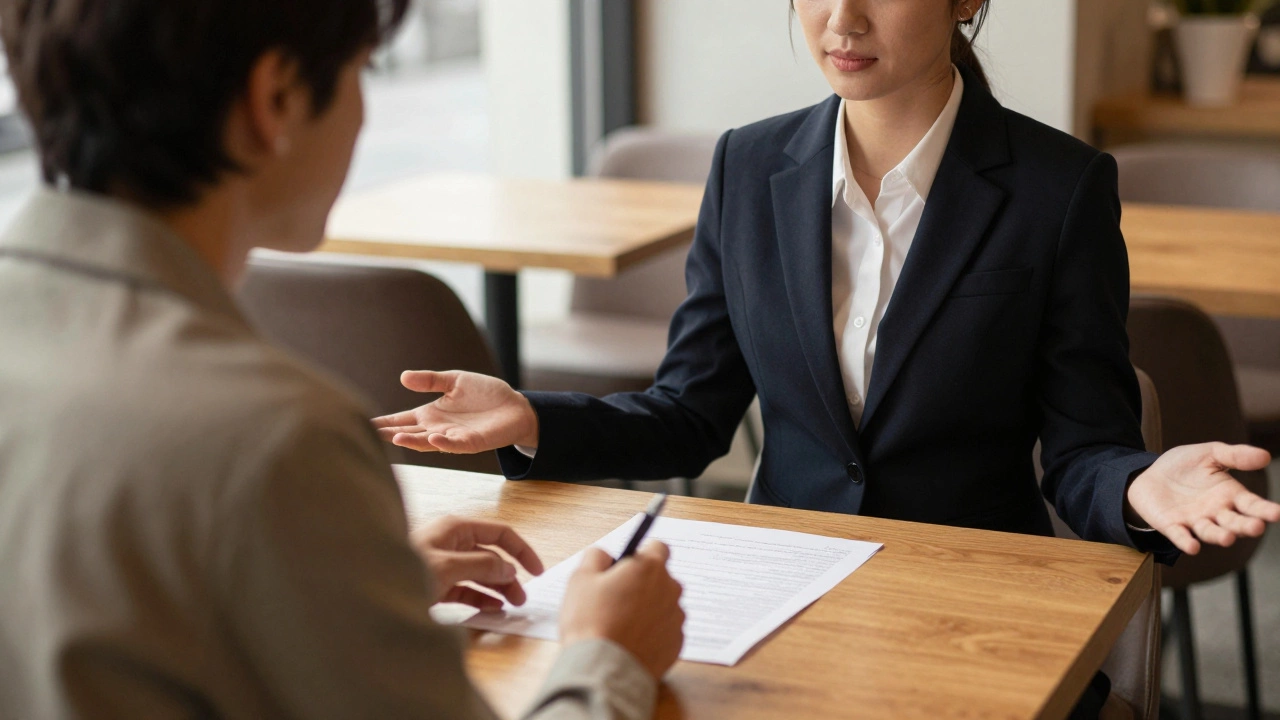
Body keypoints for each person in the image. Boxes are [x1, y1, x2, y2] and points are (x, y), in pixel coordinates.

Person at [375, 1, 1280, 715]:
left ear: (967, 0)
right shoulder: (747, 166)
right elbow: (689, 414)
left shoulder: (1060, 187)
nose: (841, 19)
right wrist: (532, 418)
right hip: (780, 599)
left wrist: (1139, 483)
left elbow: (1083, 451)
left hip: (970, 610)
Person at [0, 1, 684, 718]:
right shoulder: (278, 439)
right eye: (364, 69)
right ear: (276, 99)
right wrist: (609, 656)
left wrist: (340, 586)